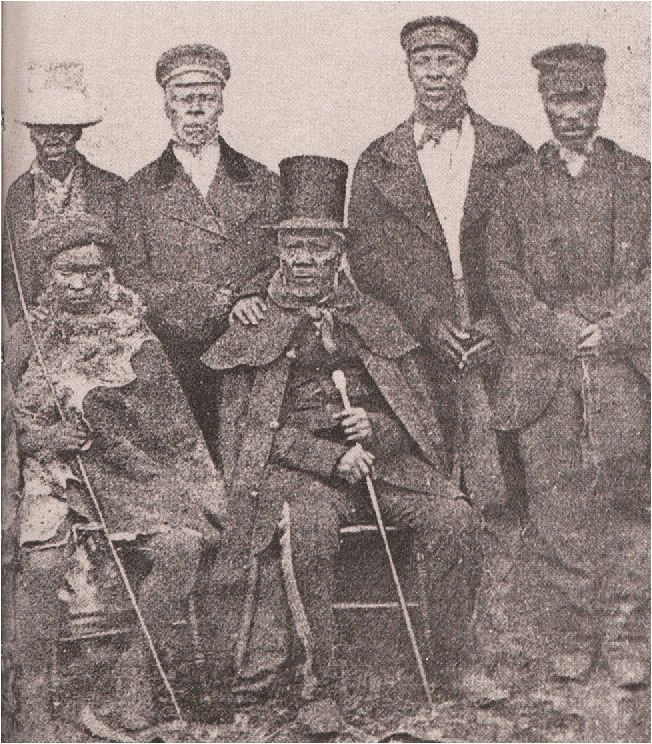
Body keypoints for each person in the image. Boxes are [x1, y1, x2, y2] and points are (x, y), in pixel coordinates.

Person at [201, 156, 482, 726]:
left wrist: (374, 429)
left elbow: (416, 418)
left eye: (320, 248)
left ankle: (452, 666)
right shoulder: (250, 324)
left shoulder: (371, 315)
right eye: (294, 247)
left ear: (340, 252)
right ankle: (319, 686)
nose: (306, 261)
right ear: (278, 250)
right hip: (293, 470)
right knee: (308, 526)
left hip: (378, 464)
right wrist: (329, 456)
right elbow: (248, 436)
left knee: (457, 518)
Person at [6, 214, 225, 740]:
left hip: (125, 474)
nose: (80, 284)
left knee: (183, 546)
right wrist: (35, 440)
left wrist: (187, 484)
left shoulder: (134, 333)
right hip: (45, 471)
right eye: (66, 272)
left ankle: (134, 675)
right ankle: (32, 698)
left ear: (108, 273)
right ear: (46, 275)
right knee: (41, 558)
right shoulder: (24, 336)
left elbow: (172, 427)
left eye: (92, 271)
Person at [486, 44, 650, 690]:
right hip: (545, 367)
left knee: (628, 503)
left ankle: (629, 634)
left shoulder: (639, 178)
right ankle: (571, 635)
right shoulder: (517, 186)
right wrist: (558, 330)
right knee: (557, 502)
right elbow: (502, 275)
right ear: (544, 103)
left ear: (602, 98)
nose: (571, 113)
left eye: (583, 98)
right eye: (559, 100)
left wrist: (612, 331)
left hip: (623, 362)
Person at [347, 16, 533, 515]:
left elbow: (535, 249)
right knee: (433, 461)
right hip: (418, 329)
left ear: (466, 66)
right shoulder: (377, 160)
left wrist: (499, 322)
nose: (434, 73)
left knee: (506, 469)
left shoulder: (512, 153)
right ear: (408, 69)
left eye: (446, 61)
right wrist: (427, 320)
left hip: (501, 320)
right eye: (422, 61)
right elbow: (366, 257)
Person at [116, 44, 280, 455]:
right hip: (175, 352)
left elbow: (280, 257)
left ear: (221, 104)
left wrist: (250, 295)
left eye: (206, 98)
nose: (195, 109)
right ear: (166, 106)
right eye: (183, 98)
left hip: (248, 343)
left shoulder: (261, 181)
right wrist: (211, 299)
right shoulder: (138, 191)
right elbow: (131, 278)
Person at [3, 61, 126, 326]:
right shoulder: (19, 194)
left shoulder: (112, 188)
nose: (53, 138)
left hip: (102, 322)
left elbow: (128, 261)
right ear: (31, 134)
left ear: (77, 132)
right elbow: (7, 267)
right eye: (43, 129)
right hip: (42, 324)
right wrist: (20, 313)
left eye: (62, 128)